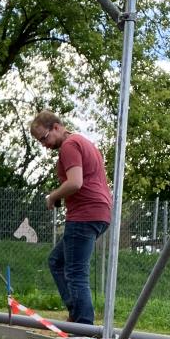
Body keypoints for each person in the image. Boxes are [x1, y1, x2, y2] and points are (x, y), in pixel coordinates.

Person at [29, 110, 112, 326]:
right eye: (39, 141)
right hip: (100, 212)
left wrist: (52, 197)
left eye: (44, 138)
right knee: (57, 261)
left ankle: (83, 328)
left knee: (75, 273)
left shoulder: (69, 146)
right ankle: (76, 313)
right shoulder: (85, 143)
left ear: (57, 127)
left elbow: (76, 182)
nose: (44, 145)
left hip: (85, 214)